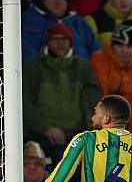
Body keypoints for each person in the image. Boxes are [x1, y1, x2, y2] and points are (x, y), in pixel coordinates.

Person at [23, 22, 102, 163]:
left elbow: (91, 102)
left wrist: (90, 130)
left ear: (71, 43)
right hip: (42, 135)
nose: (60, 43)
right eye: (55, 39)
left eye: (64, 39)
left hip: (77, 135)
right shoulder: (33, 68)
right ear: (48, 42)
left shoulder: (83, 67)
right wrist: (46, 129)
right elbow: (25, 103)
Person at [90, 25, 132, 134]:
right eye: (120, 45)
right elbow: (100, 96)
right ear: (113, 45)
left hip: (131, 123)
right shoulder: (99, 60)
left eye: (129, 46)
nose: (125, 50)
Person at [21, 0, 101, 62]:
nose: (57, 2)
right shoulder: (30, 20)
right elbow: (28, 56)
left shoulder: (78, 22)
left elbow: (97, 51)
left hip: (81, 71)